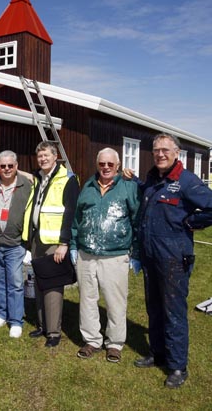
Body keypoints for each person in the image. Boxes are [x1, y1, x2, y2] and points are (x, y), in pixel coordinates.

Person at [129, 133, 212, 388]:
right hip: (152, 255)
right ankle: (157, 352)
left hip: (174, 257)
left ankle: (176, 366)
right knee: (154, 307)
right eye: (156, 150)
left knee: (173, 312)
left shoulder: (185, 181)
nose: (160, 154)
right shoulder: (154, 179)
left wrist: (190, 222)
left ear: (176, 153)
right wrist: (138, 181)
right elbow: (150, 197)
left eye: (165, 150)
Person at [70, 148, 140, 363]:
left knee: (115, 301)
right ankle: (92, 340)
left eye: (110, 164)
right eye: (102, 164)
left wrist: (136, 252)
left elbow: (137, 220)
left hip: (115, 255)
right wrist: (74, 245)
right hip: (86, 254)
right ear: (97, 164)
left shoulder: (129, 187)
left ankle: (115, 343)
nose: (106, 167)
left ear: (117, 165)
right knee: (87, 300)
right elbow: (77, 219)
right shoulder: (88, 187)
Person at [22, 141, 79, 347]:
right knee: (38, 283)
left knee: (53, 286)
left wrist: (65, 243)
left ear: (56, 157)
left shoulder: (68, 179)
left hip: (55, 242)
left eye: (46, 155)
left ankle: (54, 332)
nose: (43, 159)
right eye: (40, 156)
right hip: (38, 240)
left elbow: (71, 213)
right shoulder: (39, 177)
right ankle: (42, 325)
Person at [0, 150, 32, 338]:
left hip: (15, 244)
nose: (6, 169)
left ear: (17, 166)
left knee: (15, 283)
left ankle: (16, 320)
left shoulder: (27, 184)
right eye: (3, 166)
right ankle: (2, 313)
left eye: (10, 165)